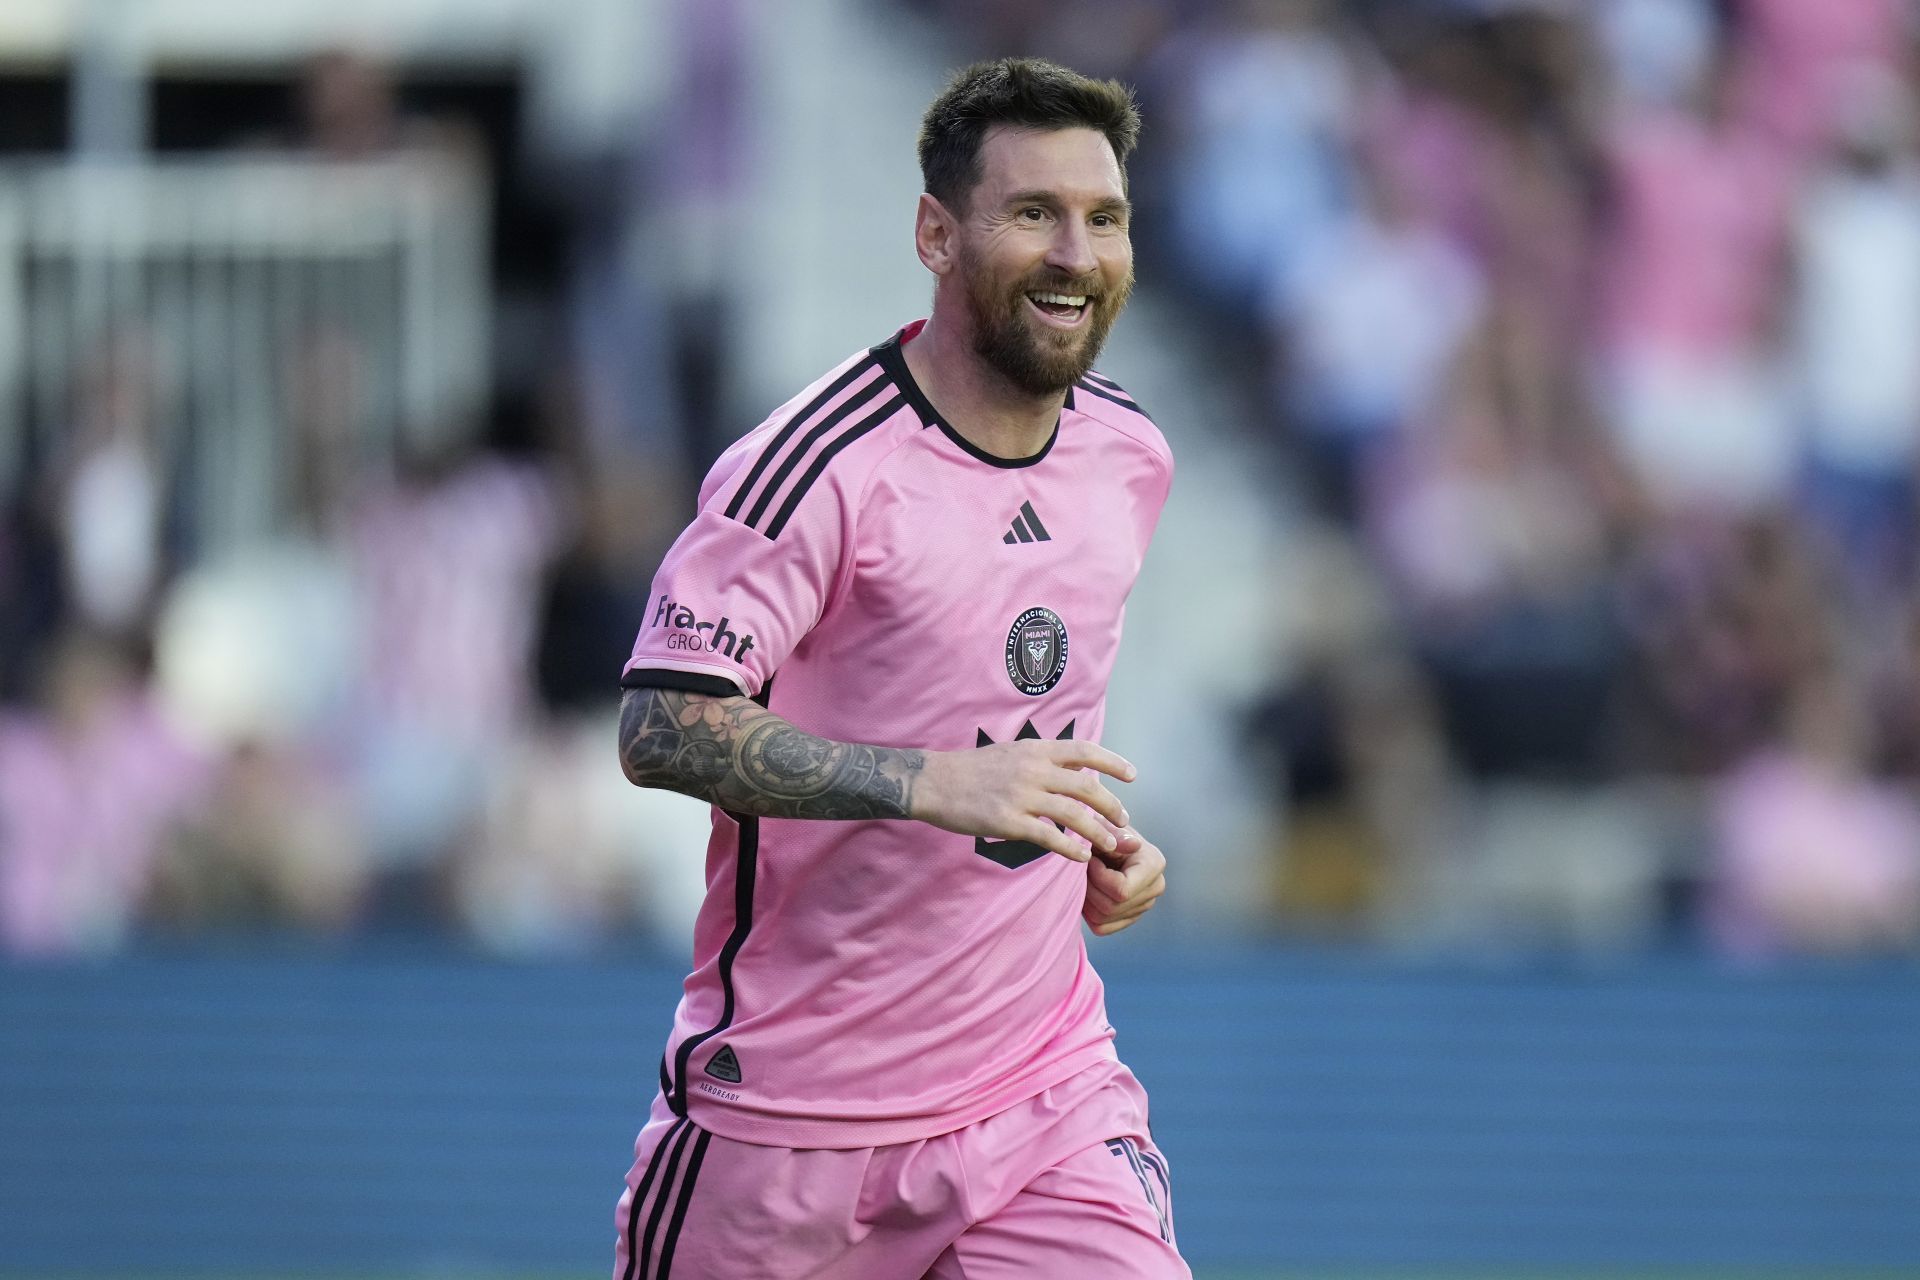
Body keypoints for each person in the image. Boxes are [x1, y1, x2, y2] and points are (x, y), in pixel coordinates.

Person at [610, 57, 1188, 1280]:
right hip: (788, 1125)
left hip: (1041, 1097)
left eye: (1104, 217)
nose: (1076, 252)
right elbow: (661, 724)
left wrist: (1083, 841)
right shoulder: (815, 465)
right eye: (1033, 213)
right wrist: (930, 785)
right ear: (937, 232)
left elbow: (1007, 711)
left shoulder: (1130, 455)